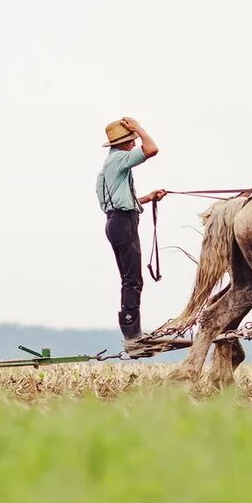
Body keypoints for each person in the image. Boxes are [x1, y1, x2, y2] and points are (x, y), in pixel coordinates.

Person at [96, 117, 168, 353]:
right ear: (125, 142)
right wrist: (140, 128)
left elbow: (116, 202)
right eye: (132, 139)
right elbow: (152, 149)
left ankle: (133, 331)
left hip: (116, 222)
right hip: (123, 223)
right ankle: (132, 335)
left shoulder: (107, 168)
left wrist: (147, 198)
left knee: (130, 277)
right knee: (132, 279)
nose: (134, 142)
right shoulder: (119, 159)